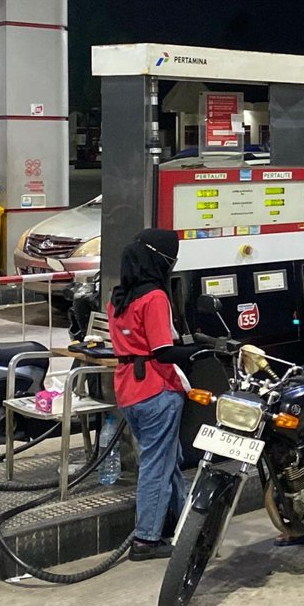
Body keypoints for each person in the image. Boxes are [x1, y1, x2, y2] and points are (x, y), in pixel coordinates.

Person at [107, 229, 199, 561]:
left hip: (128, 389)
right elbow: (163, 351)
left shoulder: (118, 297)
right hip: (156, 390)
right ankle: (146, 539)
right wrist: (203, 350)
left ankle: (185, 525)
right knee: (157, 465)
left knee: (167, 460)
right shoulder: (155, 297)